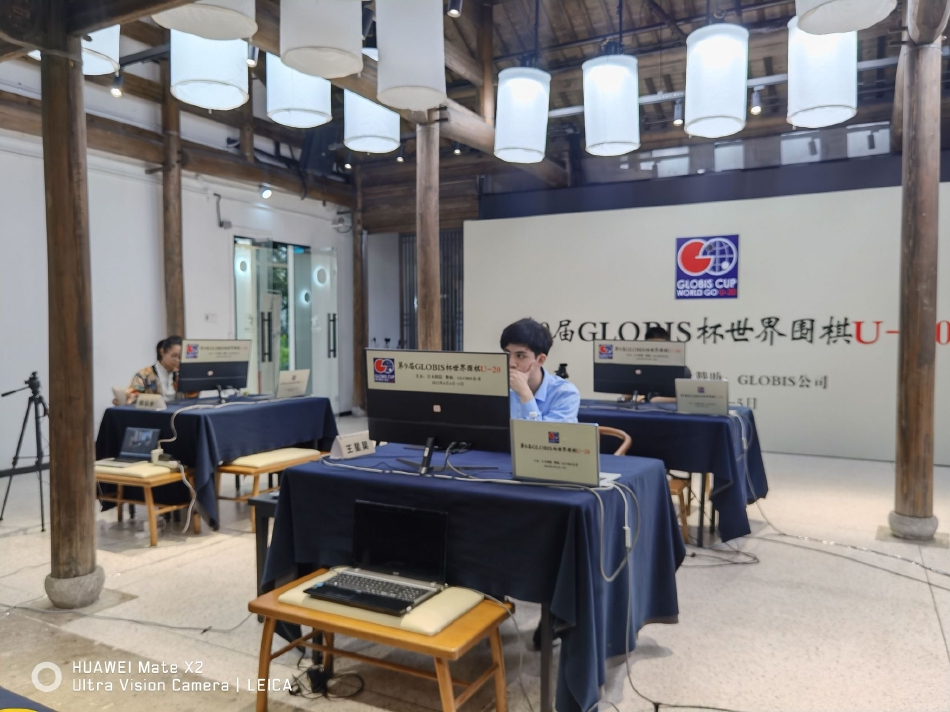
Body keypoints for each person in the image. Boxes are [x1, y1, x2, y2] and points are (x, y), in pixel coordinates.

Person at [501, 318, 580, 422]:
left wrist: (525, 393)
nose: (511, 363)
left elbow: (543, 433)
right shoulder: (498, 389)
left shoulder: (565, 393)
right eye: (507, 354)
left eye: (520, 356)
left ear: (540, 360)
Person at [121, 336, 198, 404]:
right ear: (162, 352)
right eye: (174, 356)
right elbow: (132, 397)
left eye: (181, 357)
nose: (178, 360)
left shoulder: (180, 374)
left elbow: (191, 399)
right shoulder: (144, 374)